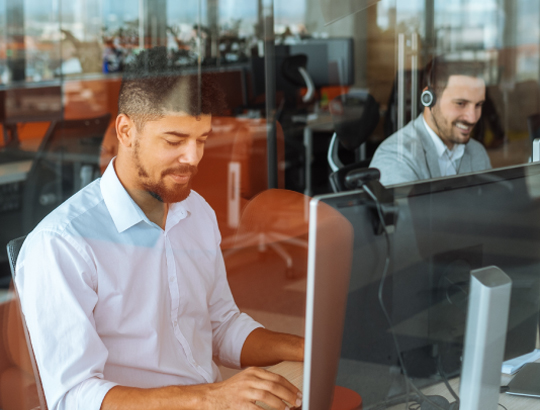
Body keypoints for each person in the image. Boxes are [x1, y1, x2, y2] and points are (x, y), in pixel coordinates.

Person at [15, 47, 304, 410]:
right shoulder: (62, 244)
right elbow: (74, 397)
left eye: (202, 140)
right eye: (174, 141)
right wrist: (210, 397)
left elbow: (221, 326)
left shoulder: (196, 212)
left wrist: (305, 347)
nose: (194, 158)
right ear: (126, 130)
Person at [370, 58, 492, 186]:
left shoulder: (476, 152)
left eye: (478, 105)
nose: (472, 118)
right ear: (429, 98)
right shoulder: (396, 156)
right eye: (460, 104)